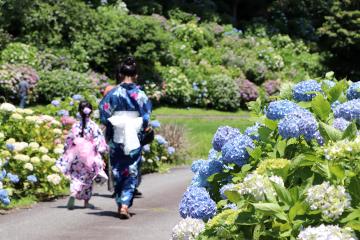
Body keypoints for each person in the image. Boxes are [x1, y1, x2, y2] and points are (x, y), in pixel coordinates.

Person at [99, 56, 152, 219]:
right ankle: (125, 203)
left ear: (120, 74)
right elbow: (145, 116)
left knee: (117, 169)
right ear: (135, 75)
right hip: (134, 134)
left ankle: (120, 200)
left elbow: (103, 114)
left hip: (117, 133)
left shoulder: (113, 93)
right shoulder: (140, 94)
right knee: (132, 169)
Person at [57, 100, 108, 210]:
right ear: (91, 112)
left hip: (76, 154)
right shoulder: (93, 126)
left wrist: (66, 151)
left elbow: (70, 139)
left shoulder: (75, 125)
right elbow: (98, 143)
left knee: (76, 176)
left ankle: (73, 193)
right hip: (89, 156)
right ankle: (86, 202)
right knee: (88, 178)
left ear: (79, 112)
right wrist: (101, 155)